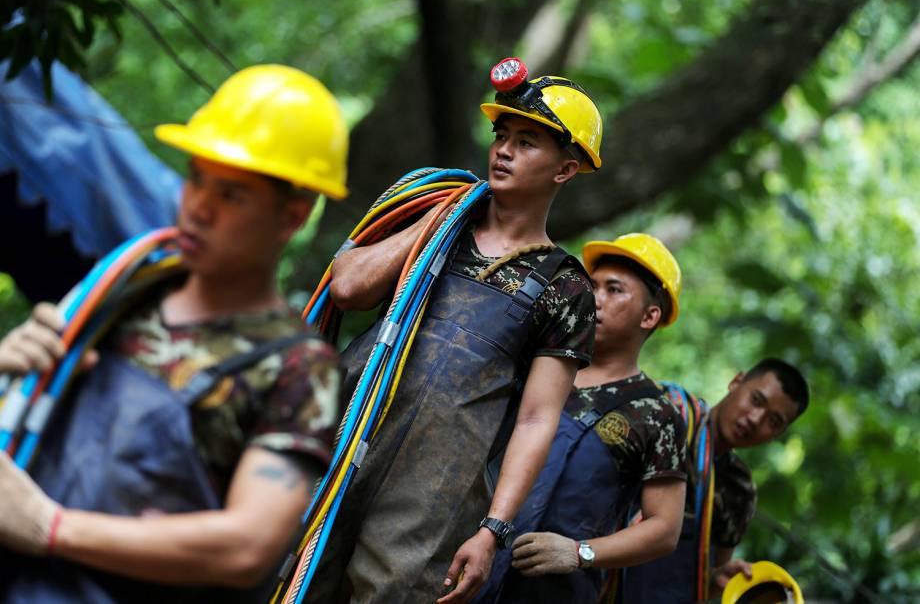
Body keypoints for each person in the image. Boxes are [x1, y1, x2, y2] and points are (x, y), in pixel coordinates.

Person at [0, 64, 349, 603]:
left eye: (232, 195)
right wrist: (9, 372)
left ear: (292, 217)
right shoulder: (120, 293)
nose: (198, 208)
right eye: (195, 178)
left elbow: (247, 547)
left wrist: (51, 527)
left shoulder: (298, 368)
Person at [307, 58, 602, 604]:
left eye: (528, 141)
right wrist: (441, 219)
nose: (504, 150)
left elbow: (538, 419)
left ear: (564, 169)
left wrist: (494, 529)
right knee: (285, 575)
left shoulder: (567, 289)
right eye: (502, 134)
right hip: (340, 439)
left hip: (433, 497)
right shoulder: (431, 218)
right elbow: (346, 289)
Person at [474, 233, 688, 603]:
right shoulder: (535, 363)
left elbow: (664, 528)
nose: (595, 299)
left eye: (615, 290)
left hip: (553, 593)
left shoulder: (657, 414)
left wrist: (580, 552)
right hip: (469, 557)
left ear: (650, 315)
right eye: (594, 286)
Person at [621, 358, 810, 603]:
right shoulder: (665, 415)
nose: (755, 419)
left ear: (778, 435)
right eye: (756, 400)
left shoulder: (738, 489)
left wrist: (719, 580)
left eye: (773, 421)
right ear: (736, 382)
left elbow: (705, 587)